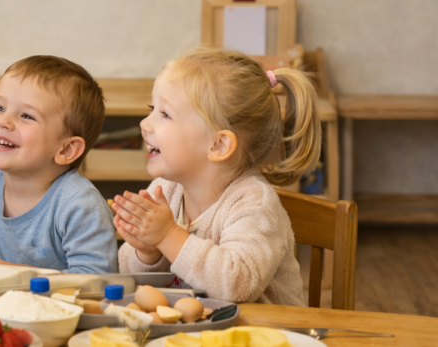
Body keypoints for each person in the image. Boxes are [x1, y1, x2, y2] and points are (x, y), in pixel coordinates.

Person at [113, 47, 321, 305]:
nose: (145, 123)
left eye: (165, 114)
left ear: (218, 146)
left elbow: (237, 285)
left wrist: (167, 235)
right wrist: (147, 252)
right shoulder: (166, 190)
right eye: (151, 108)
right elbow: (129, 276)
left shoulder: (254, 204)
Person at [0, 56, 118, 273]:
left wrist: (13, 272)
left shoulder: (80, 205)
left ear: (66, 150)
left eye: (27, 116)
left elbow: (96, 281)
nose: (3, 121)